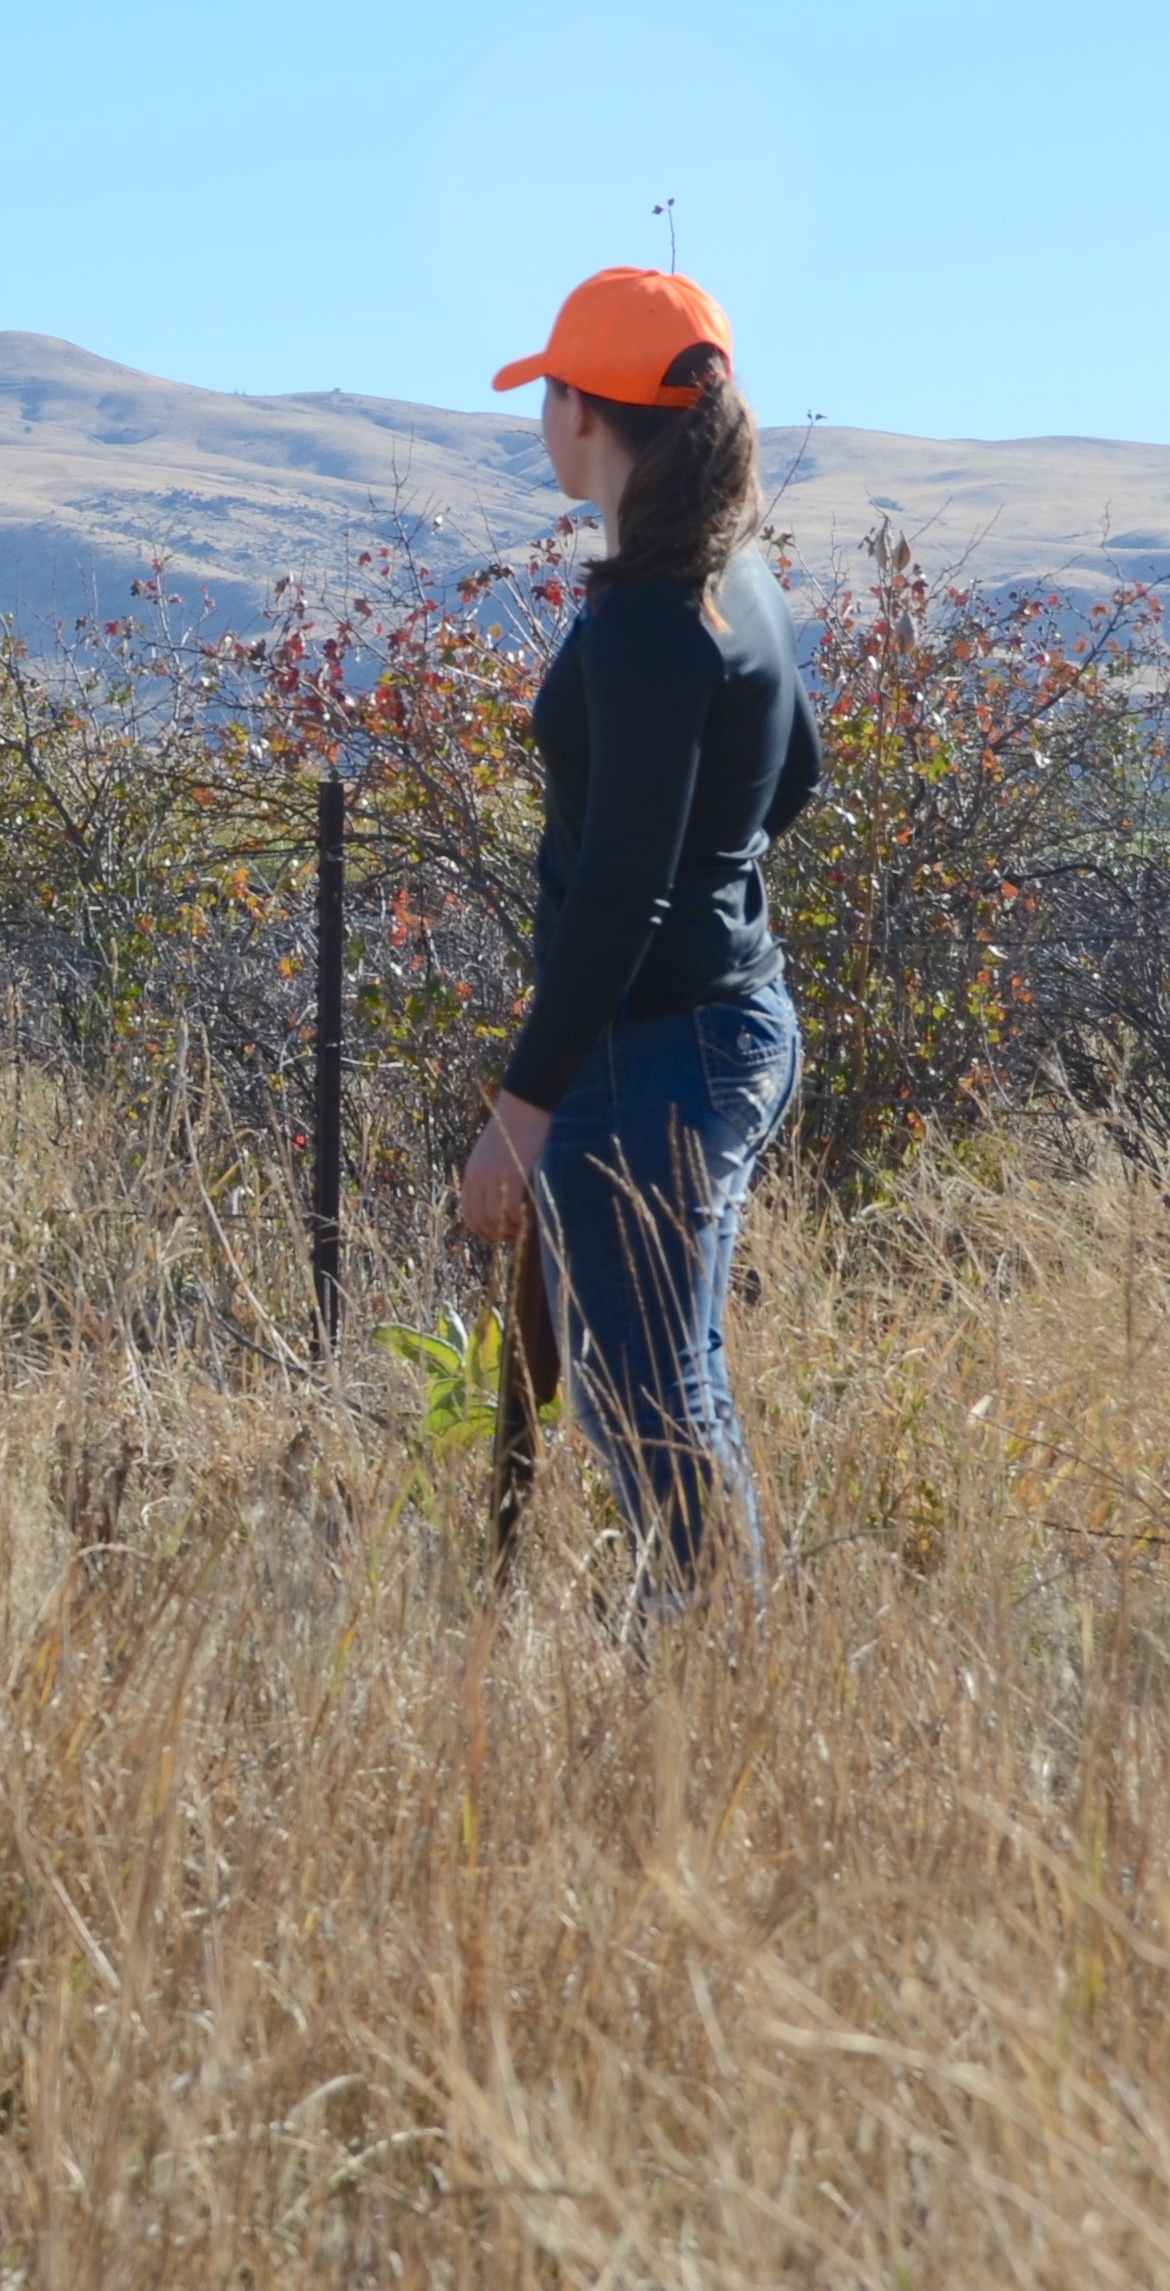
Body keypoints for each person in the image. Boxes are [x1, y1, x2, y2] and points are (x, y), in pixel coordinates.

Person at [455, 267, 819, 1619]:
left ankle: (709, 1693)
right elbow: (797, 775)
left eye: (549, 392)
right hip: (733, 1025)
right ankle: (710, 1673)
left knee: (645, 1403)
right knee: (672, 1381)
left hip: (649, 1057)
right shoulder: (738, 576)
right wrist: (714, 874)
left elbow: (618, 892)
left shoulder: (646, 617)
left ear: (587, 416)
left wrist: (521, 1109)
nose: (541, 418)